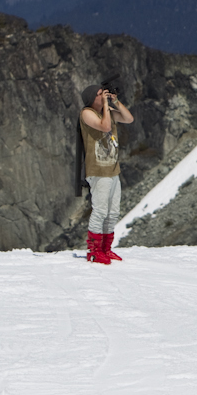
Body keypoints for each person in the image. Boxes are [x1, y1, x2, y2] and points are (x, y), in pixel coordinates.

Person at [79, 84, 134, 264]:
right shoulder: (87, 113)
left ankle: (106, 249)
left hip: (112, 169)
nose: (103, 96)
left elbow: (128, 118)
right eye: (99, 94)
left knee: (113, 212)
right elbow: (105, 126)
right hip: (97, 169)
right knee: (100, 210)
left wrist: (115, 102)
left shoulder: (106, 111)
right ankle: (94, 251)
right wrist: (105, 105)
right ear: (91, 98)